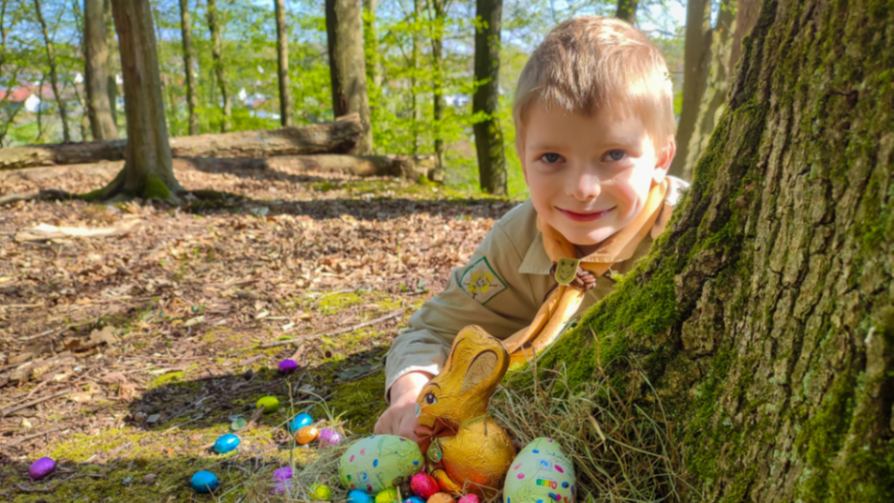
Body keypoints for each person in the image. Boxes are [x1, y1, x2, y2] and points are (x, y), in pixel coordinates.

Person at [375, 16, 689, 441]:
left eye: (614, 153)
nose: (582, 189)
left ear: (661, 158)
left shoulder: (686, 230)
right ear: (523, 158)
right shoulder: (517, 240)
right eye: (552, 158)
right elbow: (433, 330)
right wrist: (411, 392)